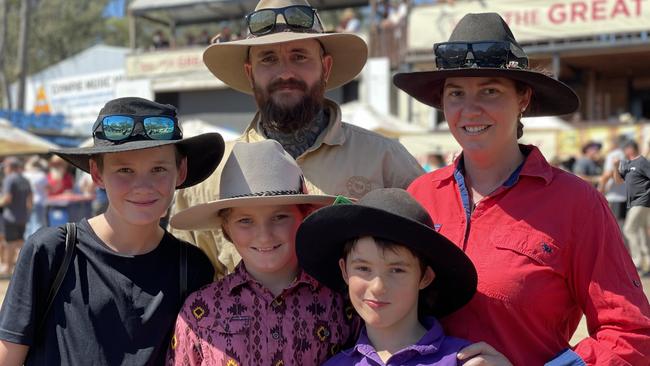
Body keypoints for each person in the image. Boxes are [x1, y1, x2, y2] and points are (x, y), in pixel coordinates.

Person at [393, 12, 650, 365]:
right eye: (456, 93)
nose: (469, 109)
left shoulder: (577, 204)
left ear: (523, 99)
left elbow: (631, 335)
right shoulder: (420, 195)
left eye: (490, 90)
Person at [172, 0, 424, 278]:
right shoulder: (210, 178)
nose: (285, 73)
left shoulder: (386, 160)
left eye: (300, 56)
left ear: (325, 68)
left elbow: (425, 262)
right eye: (268, 58)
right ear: (249, 73)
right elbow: (188, 286)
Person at [0, 97, 224, 365]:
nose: (143, 185)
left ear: (181, 170)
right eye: (124, 169)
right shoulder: (52, 252)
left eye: (158, 169)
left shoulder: (192, 267)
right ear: (97, 173)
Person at [166, 140, 356, 365]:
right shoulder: (199, 310)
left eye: (279, 217)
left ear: (304, 217)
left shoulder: (341, 302)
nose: (264, 236)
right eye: (245, 221)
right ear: (226, 228)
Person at [296, 188, 503, 365]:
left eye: (397, 270)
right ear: (344, 271)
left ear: (425, 277)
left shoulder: (465, 360)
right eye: (363, 268)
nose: (377, 286)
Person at [614, 140, 650, 274]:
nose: (623, 151)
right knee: (639, 231)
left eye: (625, 148)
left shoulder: (642, 161)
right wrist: (615, 166)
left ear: (631, 149)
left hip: (643, 200)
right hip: (634, 202)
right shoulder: (626, 164)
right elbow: (618, 182)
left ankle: (637, 262)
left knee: (629, 229)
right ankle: (647, 261)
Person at [0, 157, 32, 275]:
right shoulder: (24, 179)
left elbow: (7, 198)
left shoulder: (9, 179)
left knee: (10, 243)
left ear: (10, 167)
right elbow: (30, 200)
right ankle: (25, 268)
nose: (4, 170)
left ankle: (8, 268)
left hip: (10, 216)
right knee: (19, 241)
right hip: (22, 216)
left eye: (5, 167)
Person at [598, 135, 628, 226]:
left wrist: (600, 188)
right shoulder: (623, 154)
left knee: (614, 226)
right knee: (620, 226)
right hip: (622, 195)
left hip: (614, 196)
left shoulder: (613, 155)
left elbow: (608, 173)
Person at [22, 156, 48, 239]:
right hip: (39, 202)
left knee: (28, 225)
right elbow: (47, 188)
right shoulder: (41, 175)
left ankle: (28, 243)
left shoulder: (25, 175)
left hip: (27, 202)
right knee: (39, 224)